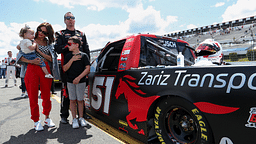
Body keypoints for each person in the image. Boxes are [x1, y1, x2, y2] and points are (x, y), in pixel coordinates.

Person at [16, 22, 59, 131]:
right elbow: (20, 57)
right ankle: (36, 120)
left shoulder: (49, 43)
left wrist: (39, 51)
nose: (41, 33)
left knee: (46, 95)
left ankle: (47, 118)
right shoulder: (29, 39)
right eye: (40, 30)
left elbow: (52, 59)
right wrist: (32, 61)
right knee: (33, 96)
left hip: (45, 69)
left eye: (44, 32)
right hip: (31, 68)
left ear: (48, 33)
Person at [55, 12, 90, 124]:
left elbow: (86, 49)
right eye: (68, 18)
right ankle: (64, 115)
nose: (70, 20)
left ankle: (82, 115)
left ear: (75, 20)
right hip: (67, 66)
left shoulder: (81, 33)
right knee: (66, 92)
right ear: (64, 20)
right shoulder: (60, 34)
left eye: (72, 18)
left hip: (80, 67)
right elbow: (57, 49)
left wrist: (87, 65)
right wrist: (69, 46)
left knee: (80, 93)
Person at [63, 36, 90, 128]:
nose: (68, 46)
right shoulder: (68, 56)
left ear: (76, 45)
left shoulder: (84, 55)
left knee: (80, 100)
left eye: (70, 44)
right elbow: (64, 69)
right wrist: (72, 60)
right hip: (70, 81)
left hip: (81, 81)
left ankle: (81, 118)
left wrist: (79, 78)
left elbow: (87, 68)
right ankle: (74, 119)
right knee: (72, 100)